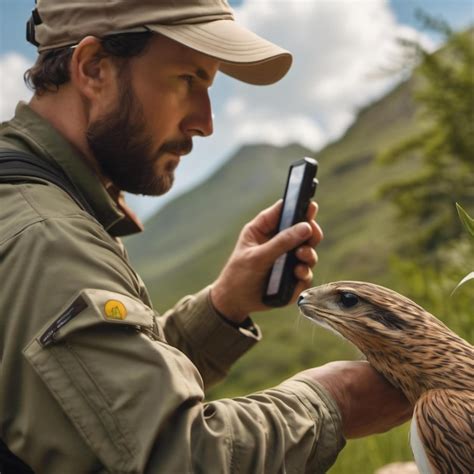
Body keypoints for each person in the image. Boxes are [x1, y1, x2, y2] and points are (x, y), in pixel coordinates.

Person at [0, 1, 411, 472]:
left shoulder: (40, 205)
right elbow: (175, 457)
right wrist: (332, 403)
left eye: (209, 86)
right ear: (94, 68)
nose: (205, 122)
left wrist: (223, 307)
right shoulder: (44, 237)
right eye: (187, 80)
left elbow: (98, 398)